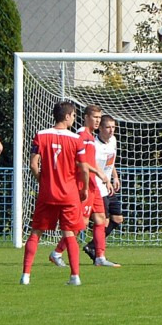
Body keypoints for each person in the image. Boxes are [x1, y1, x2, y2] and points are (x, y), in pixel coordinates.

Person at [21, 102, 89, 285]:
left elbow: (33, 164)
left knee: (36, 232)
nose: (74, 118)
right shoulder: (76, 139)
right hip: (69, 194)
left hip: (47, 193)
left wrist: (42, 181)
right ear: (66, 116)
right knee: (69, 233)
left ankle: (25, 276)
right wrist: (84, 188)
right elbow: (84, 168)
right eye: (73, 115)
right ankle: (75, 276)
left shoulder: (41, 135)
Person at [49, 105, 118, 268]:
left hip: (94, 185)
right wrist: (100, 175)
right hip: (84, 184)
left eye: (99, 118)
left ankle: (100, 257)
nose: (97, 121)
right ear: (86, 117)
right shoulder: (82, 135)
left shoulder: (90, 136)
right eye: (95, 117)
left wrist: (107, 177)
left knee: (101, 219)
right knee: (81, 223)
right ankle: (57, 253)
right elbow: (81, 162)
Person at [83, 114, 124, 258]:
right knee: (102, 221)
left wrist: (115, 177)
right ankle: (97, 252)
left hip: (108, 186)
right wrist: (104, 179)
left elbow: (110, 161)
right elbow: (92, 165)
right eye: (108, 127)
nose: (111, 130)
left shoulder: (113, 140)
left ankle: (91, 246)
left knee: (117, 218)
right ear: (100, 128)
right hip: (98, 187)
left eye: (113, 127)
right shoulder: (94, 144)